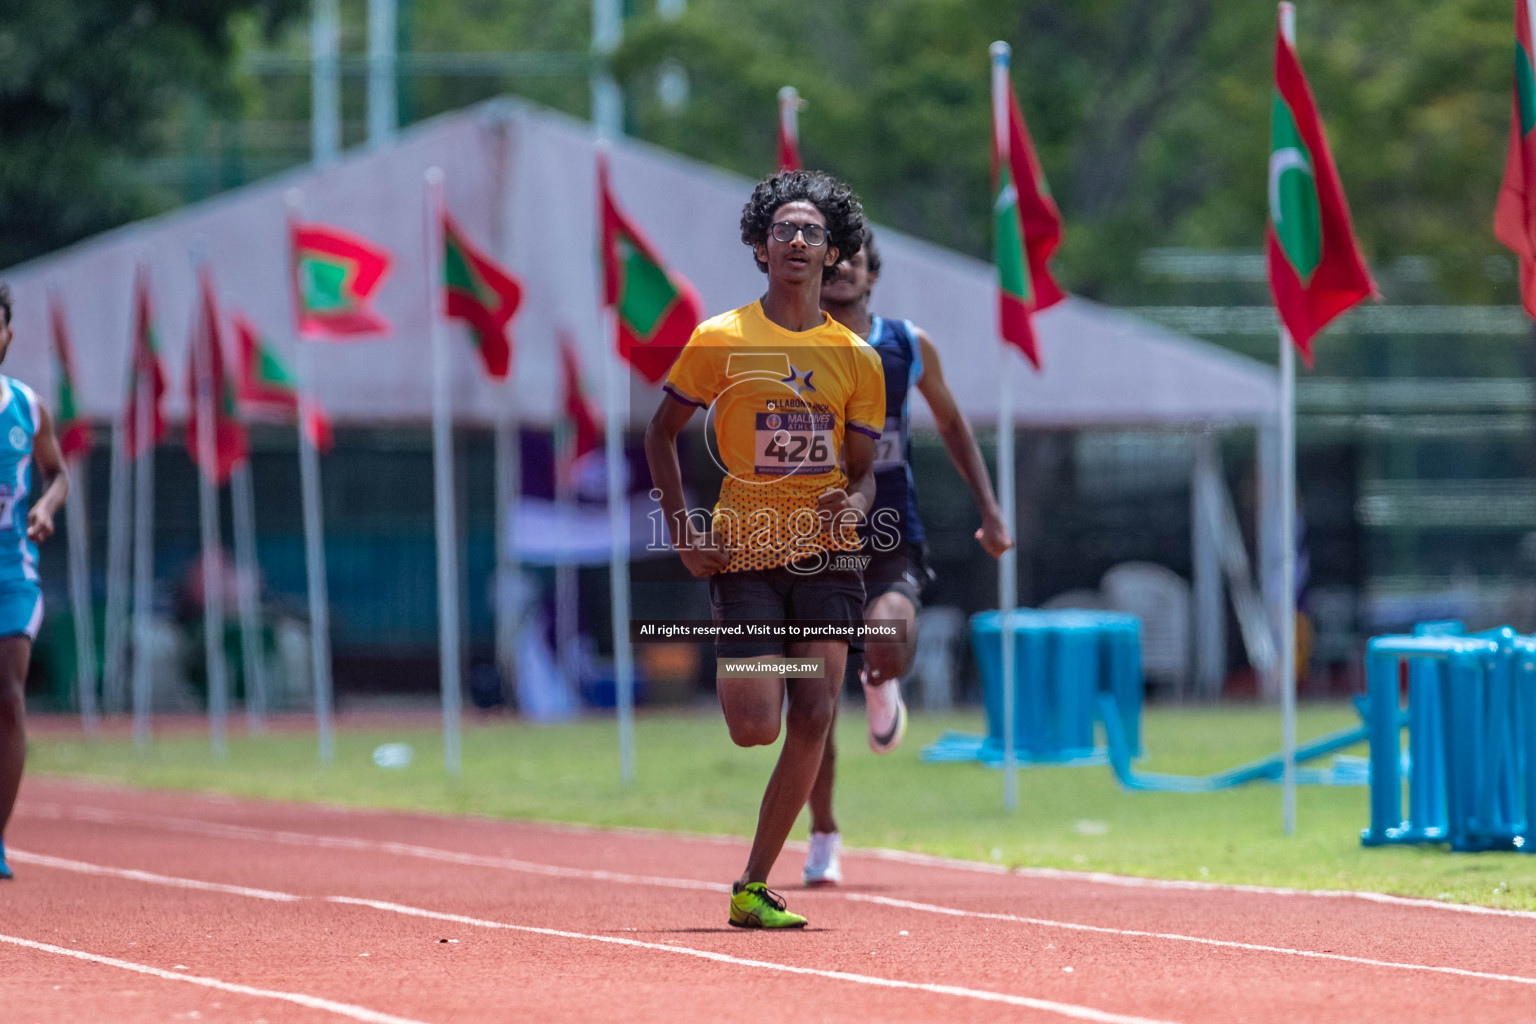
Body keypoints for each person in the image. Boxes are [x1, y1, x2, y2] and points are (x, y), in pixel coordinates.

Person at [645, 171, 882, 928]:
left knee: (814, 711)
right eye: (785, 230)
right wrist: (683, 529)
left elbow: (866, 472)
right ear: (760, 248)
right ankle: (783, 659)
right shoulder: (720, 339)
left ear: (834, 254)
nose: (799, 242)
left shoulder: (857, 358)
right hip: (744, 548)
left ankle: (753, 885)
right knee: (756, 723)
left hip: (827, 555)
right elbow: (659, 434)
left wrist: (850, 501)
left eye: (813, 233)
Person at [801, 229, 1014, 886]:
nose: (840, 274)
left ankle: (880, 677)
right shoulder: (789, 345)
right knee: (813, 701)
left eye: (852, 264)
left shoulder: (908, 345)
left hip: (890, 525)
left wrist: (990, 506)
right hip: (809, 534)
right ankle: (823, 835)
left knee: (889, 636)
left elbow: (950, 425)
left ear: (871, 276)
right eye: (828, 265)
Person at [0, 282, 71, 881]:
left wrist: (47, 506)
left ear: (7, 335)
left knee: (8, 698)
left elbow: (58, 474)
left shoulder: (29, 406)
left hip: (10, 572)